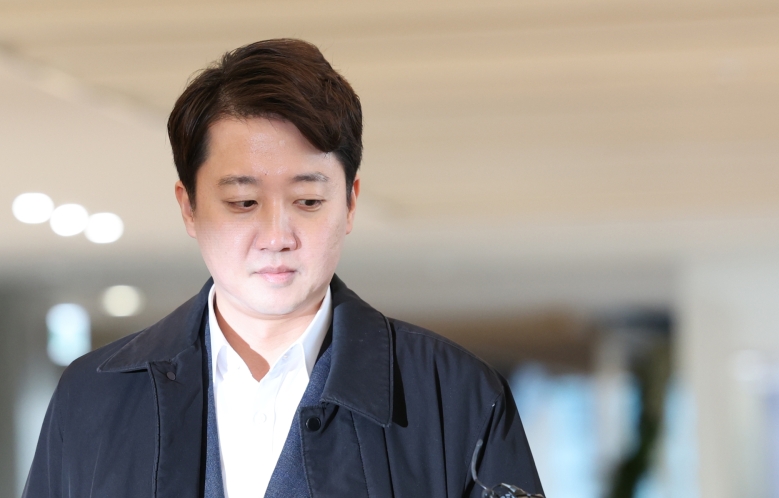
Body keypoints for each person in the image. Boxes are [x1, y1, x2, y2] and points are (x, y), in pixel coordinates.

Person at [23, 39, 544, 498]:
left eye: (308, 202)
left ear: (350, 204)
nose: (277, 237)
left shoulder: (454, 395)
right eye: (243, 203)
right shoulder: (95, 396)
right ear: (189, 207)